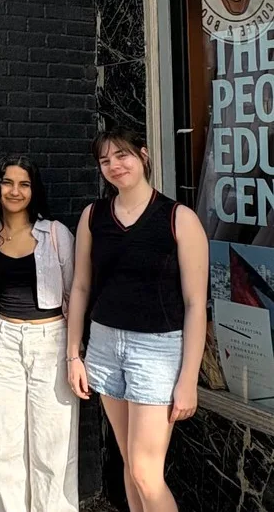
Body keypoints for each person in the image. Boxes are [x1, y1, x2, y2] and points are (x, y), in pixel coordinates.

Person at [67, 127, 208, 512]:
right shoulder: (93, 216)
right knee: (131, 465)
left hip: (158, 351)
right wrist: (73, 354)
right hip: (105, 344)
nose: (115, 165)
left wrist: (188, 380)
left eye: (123, 155)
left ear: (143, 155)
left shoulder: (179, 218)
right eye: (105, 160)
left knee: (146, 471)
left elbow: (197, 305)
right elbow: (80, 287)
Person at [0, 155, 79, 511]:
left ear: (34, 189)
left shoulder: (56, 234)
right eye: (8, 183)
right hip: (1, 342)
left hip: (51, 342)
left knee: (52, 443)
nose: (15, 191)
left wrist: (75, 354)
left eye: (24, 184)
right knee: (5, 444)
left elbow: (75, 296)